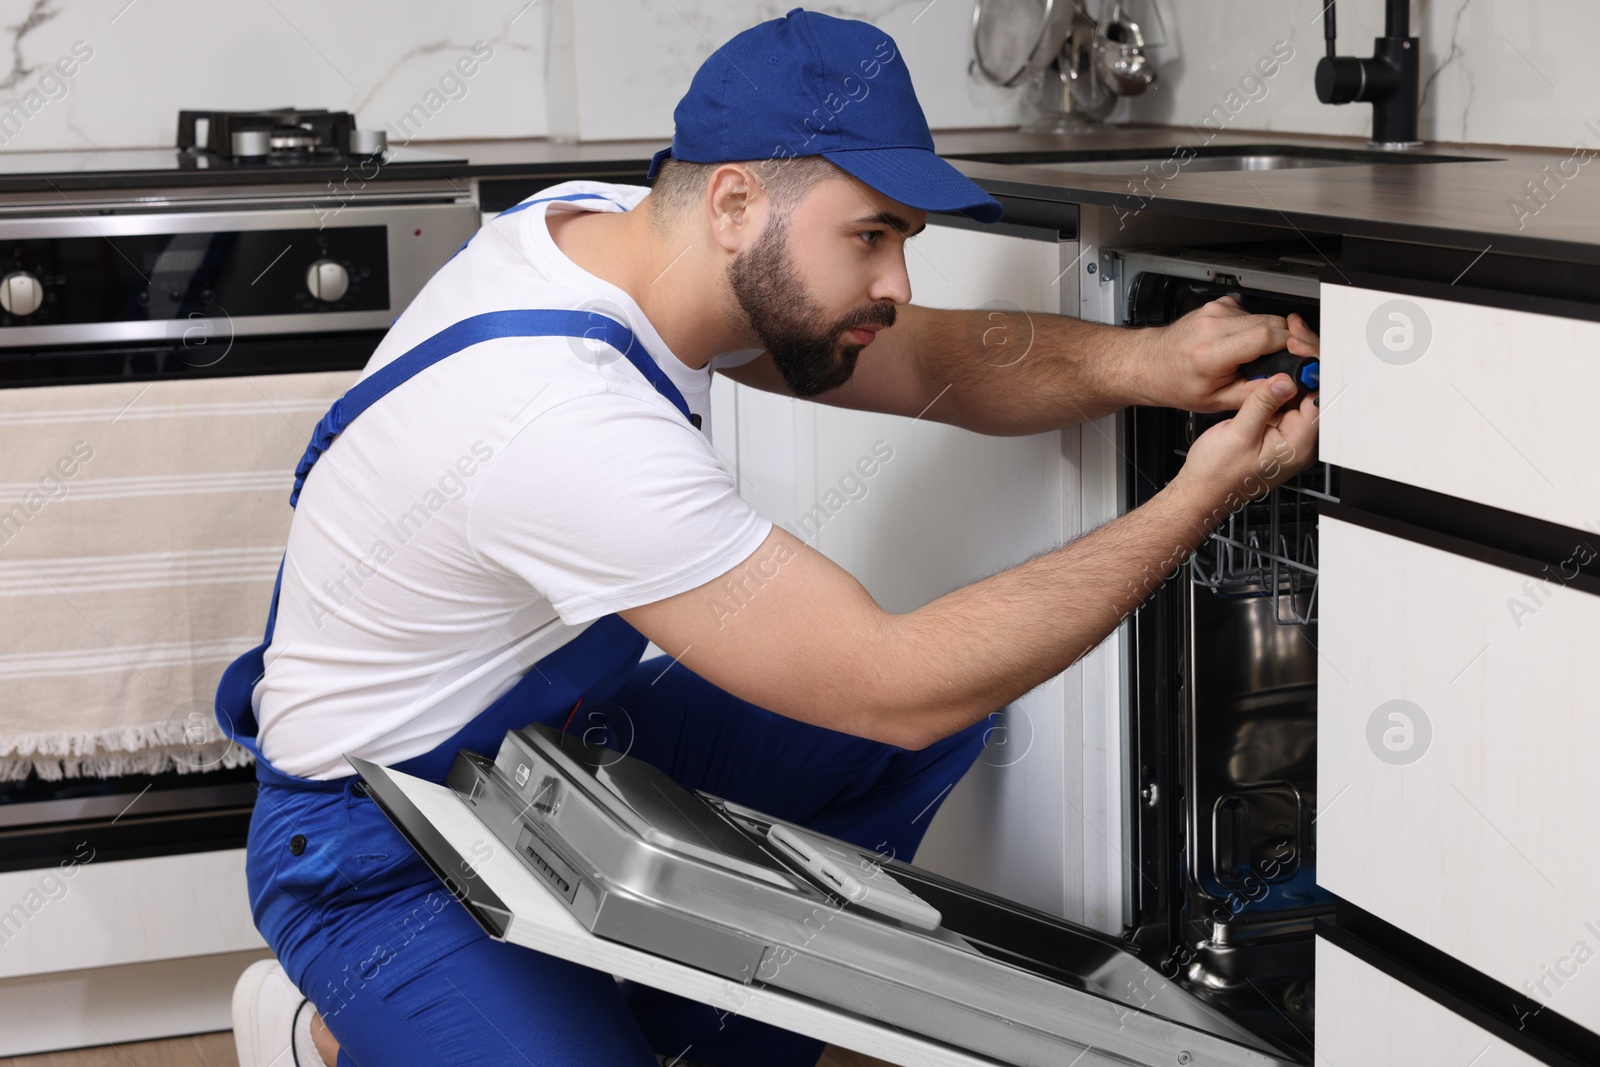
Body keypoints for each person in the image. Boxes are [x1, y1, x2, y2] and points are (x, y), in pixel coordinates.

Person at [225, 8, 1320, 1067]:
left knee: (900, 731)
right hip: (379, 841)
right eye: (871, 236)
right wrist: (1195, 499)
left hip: (543, 747)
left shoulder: (623, 235)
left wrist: (1152, 361)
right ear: (739, 203)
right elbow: (896, 681)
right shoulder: (558, 414)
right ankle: (325, 1029)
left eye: (904, 238)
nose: (896, 282)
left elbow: (930, 358)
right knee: (904, 699)